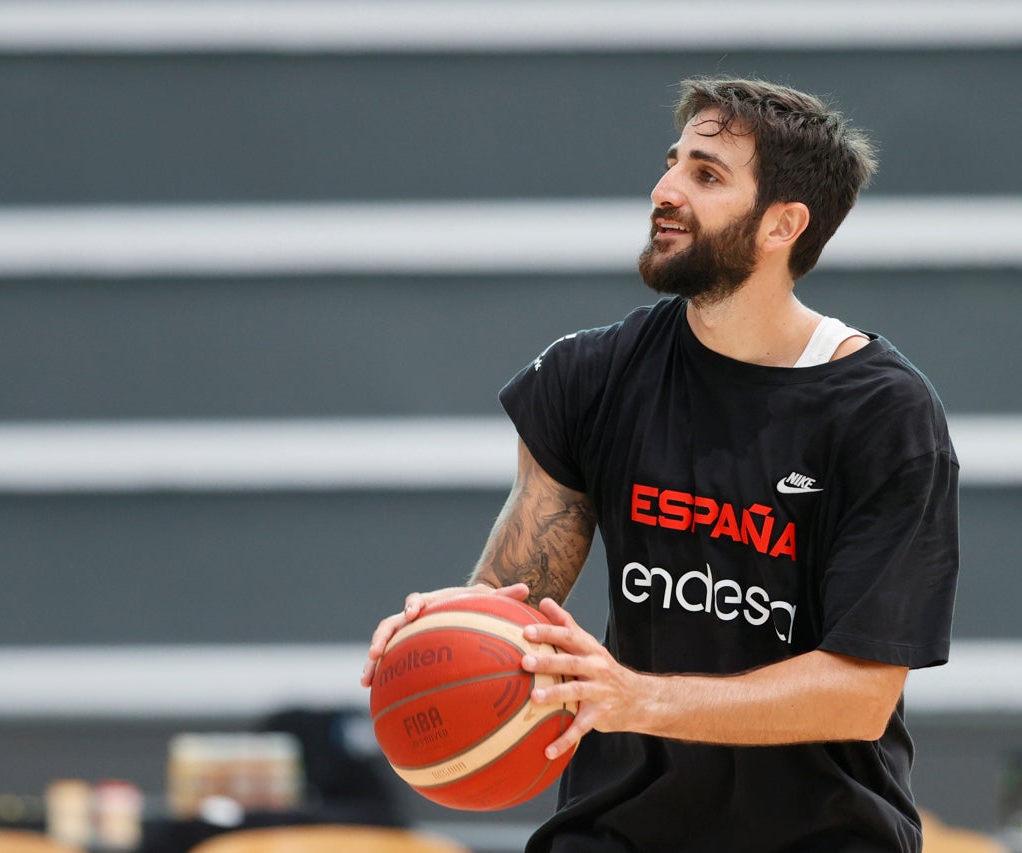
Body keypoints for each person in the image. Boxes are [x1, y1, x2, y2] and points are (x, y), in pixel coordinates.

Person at [362, 77, 959, 852]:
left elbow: (858, 694)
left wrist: (635, 697)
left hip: (821, 832)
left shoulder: (883, 414)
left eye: (706, 175)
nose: (665, 189)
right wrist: (442, 630)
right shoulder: (590, 376)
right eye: (672, 162)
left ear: (783, 224)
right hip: (618, 826)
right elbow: (515, 602)